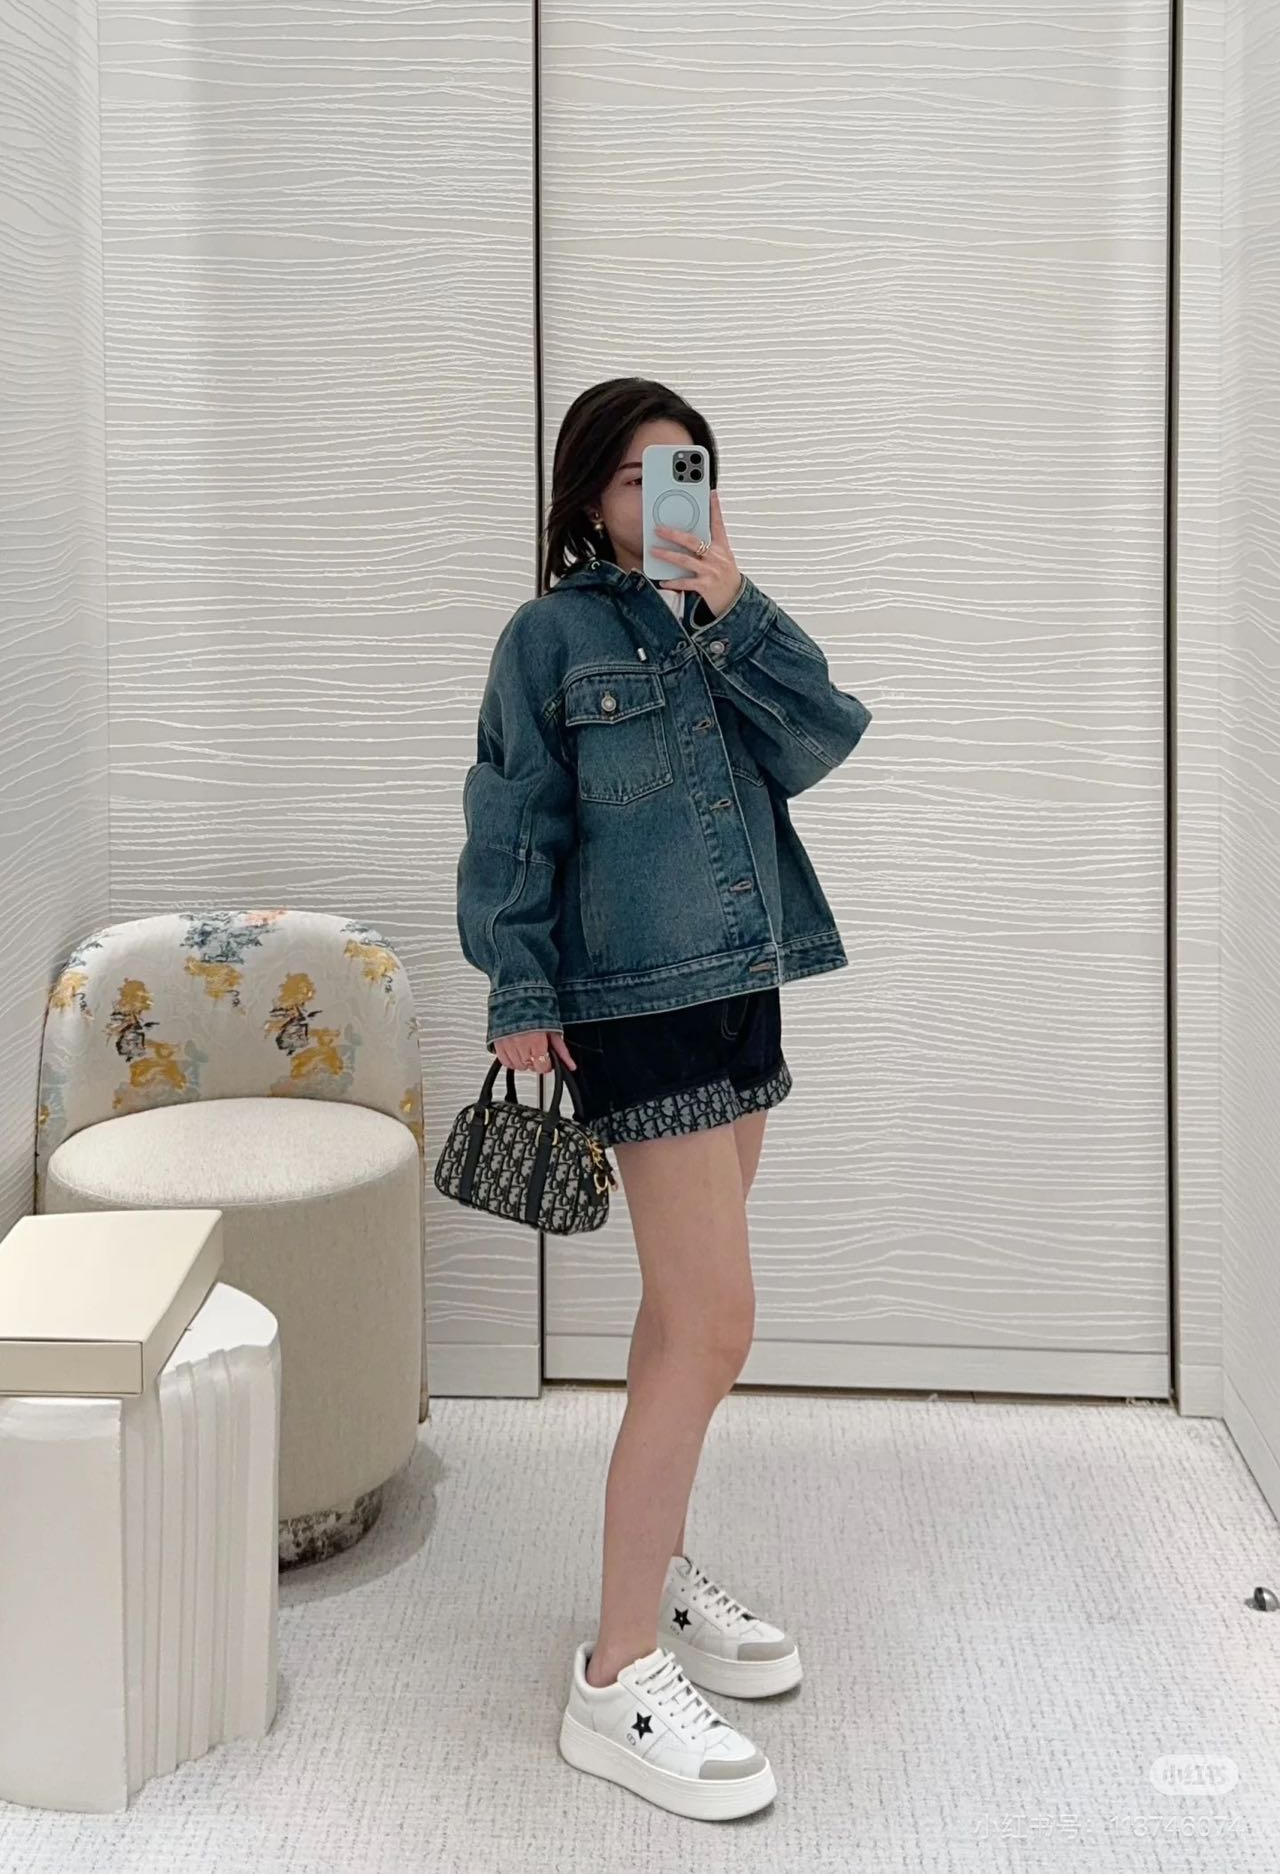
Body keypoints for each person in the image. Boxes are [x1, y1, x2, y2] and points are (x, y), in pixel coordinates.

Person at [455, 377, 872, 1820]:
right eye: (637, 477)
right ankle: (616, 1670)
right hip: (635, 1006)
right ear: (588, 498)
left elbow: (821, 739)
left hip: (742, 985)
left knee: (676, 1320)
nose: (663, 497)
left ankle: (659, 1564)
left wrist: (735, 606)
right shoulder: (550, 638)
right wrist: (518, 989)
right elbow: (513, 819)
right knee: (715, 1324)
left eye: (686, 470)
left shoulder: (720, 624)